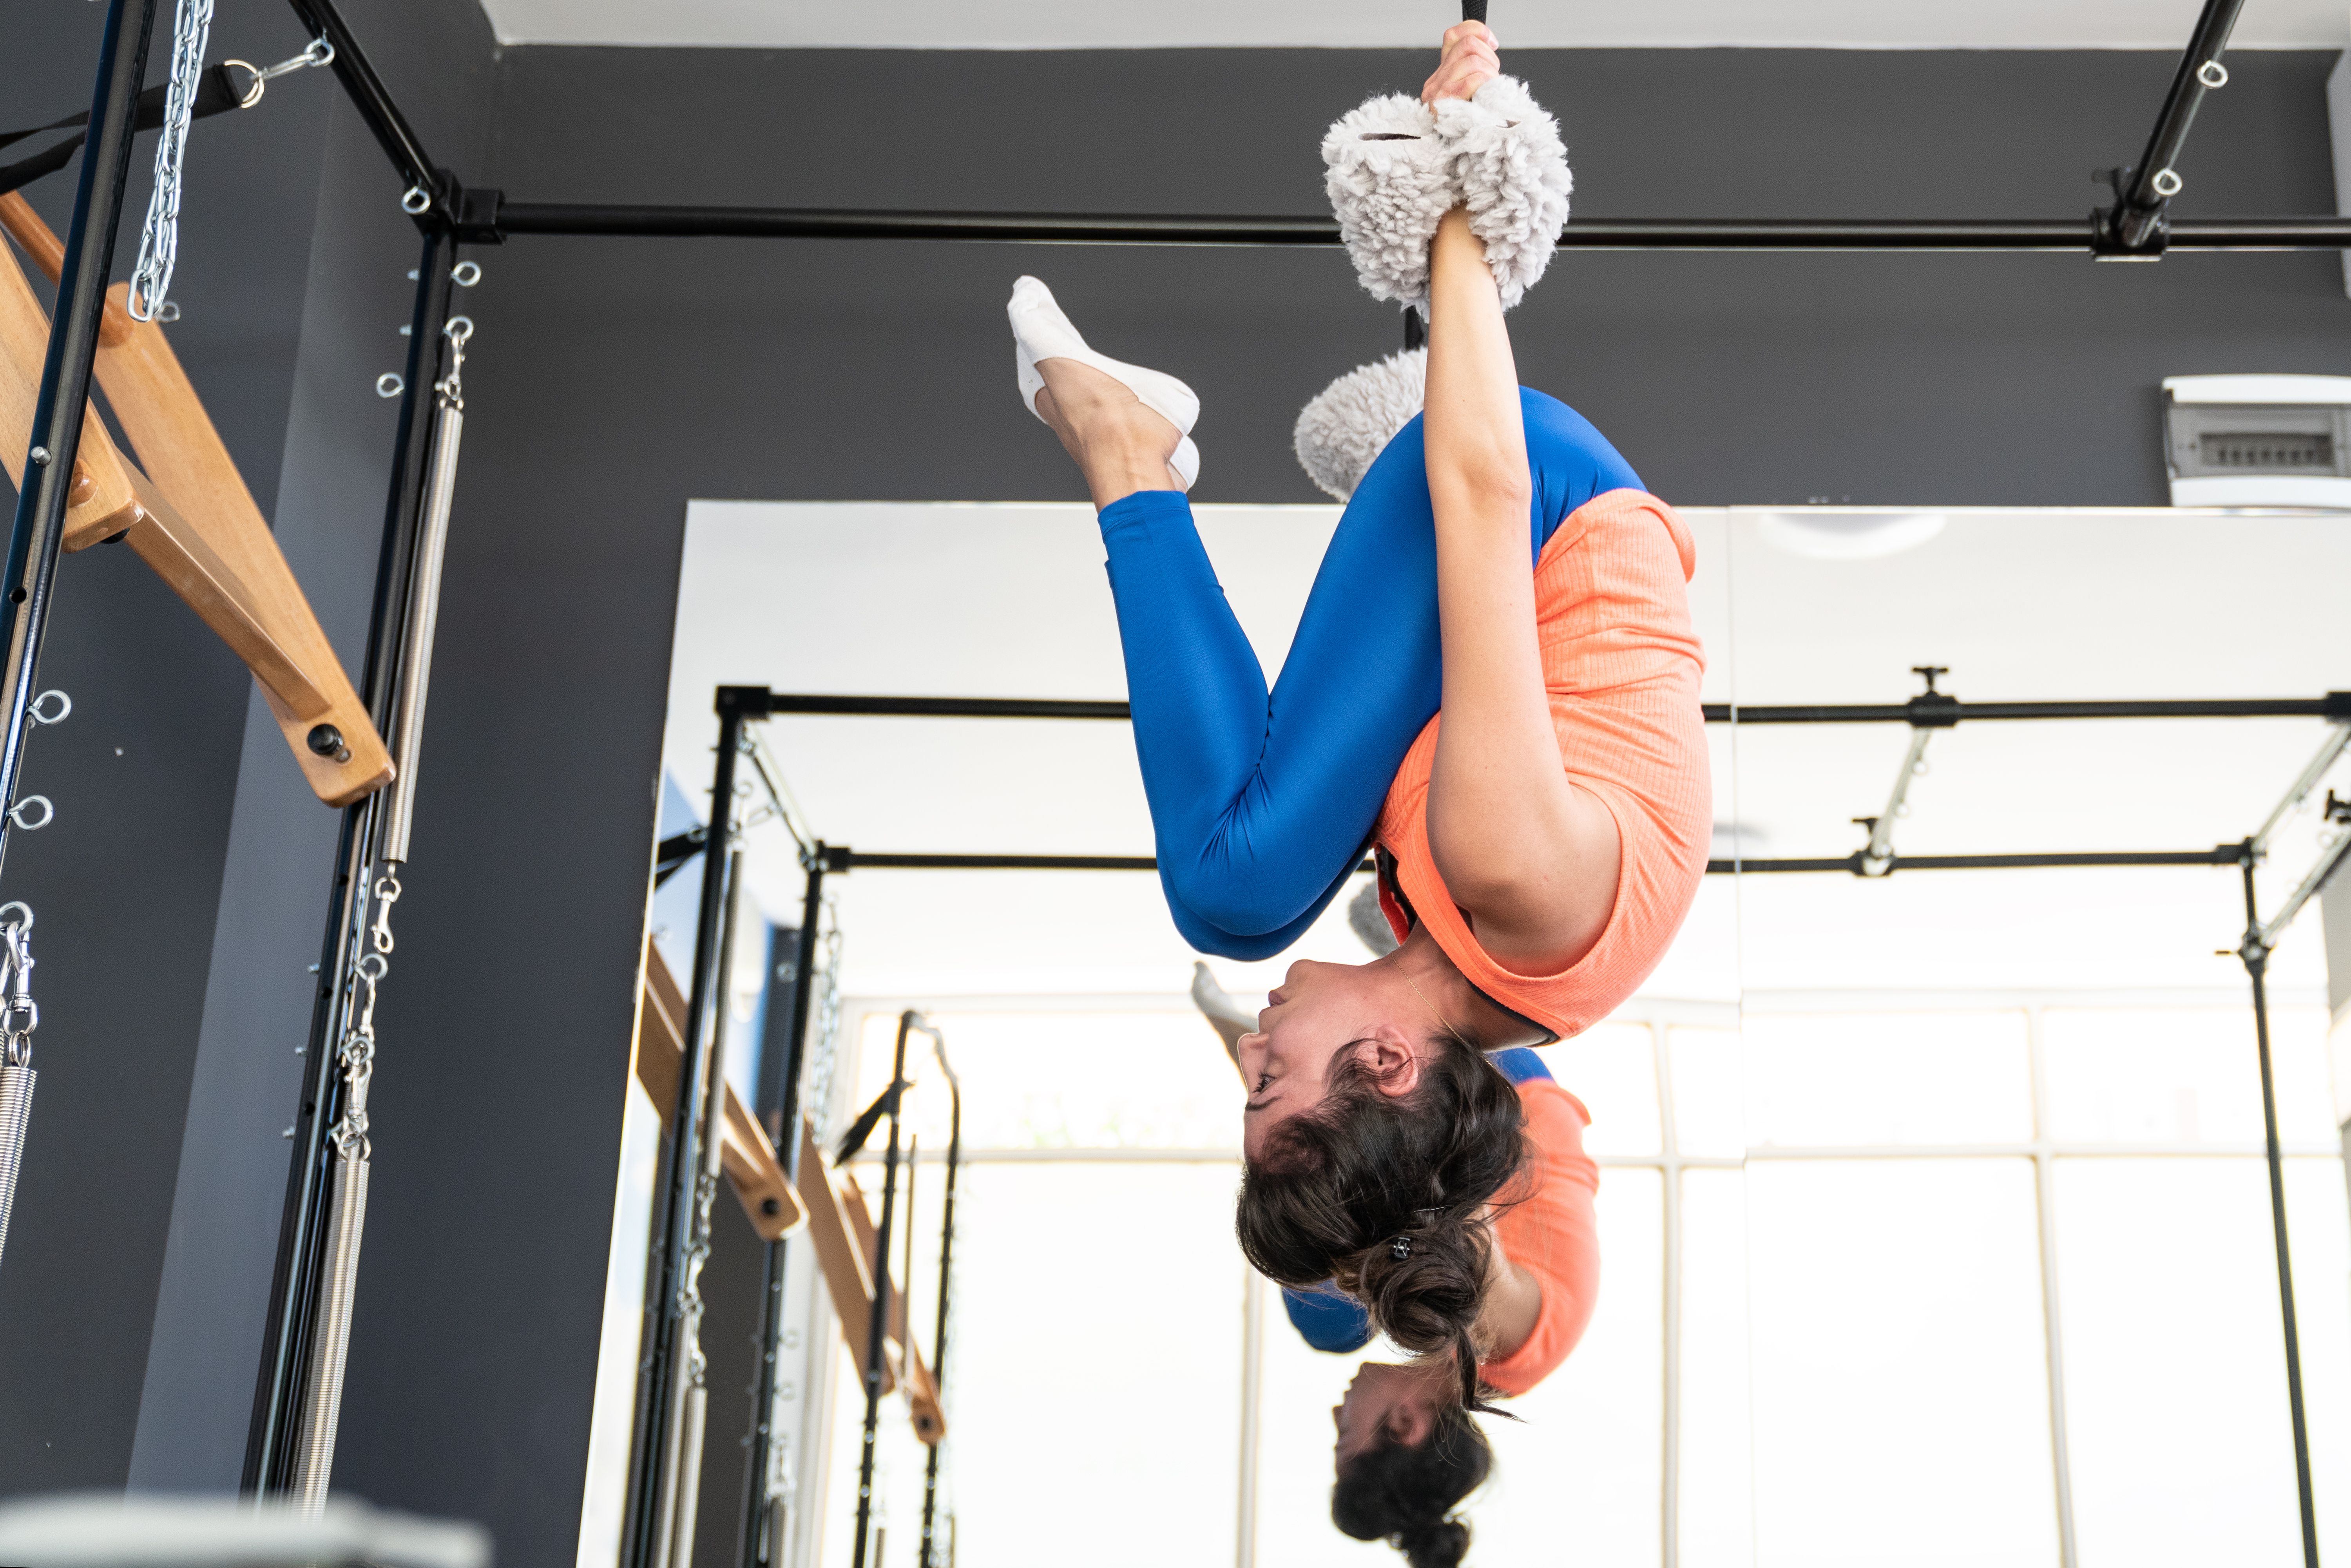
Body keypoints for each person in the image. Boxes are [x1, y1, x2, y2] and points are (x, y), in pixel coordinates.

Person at [1009, 22, 1707, 1420]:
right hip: (1546, 496)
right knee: (1232, 886)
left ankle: (1139, 454)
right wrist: (1452, 203)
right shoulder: (1509, 876)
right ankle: (1126, 451)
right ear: (1386, 1065)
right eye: (1272, 1085)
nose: (1252, 1052)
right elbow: (1485, 488)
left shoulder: (1476, 979)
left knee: (1247, 904)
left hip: (1501, 591)